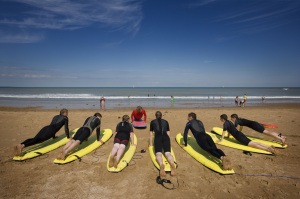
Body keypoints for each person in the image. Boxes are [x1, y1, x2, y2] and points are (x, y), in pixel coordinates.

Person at [149, 111, 176, 176]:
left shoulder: (152, 122)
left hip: (158, 138)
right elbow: (168, 133)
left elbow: (151, 134)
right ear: (161, 116)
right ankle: (172, 164)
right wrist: (168, 142)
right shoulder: (166, 121)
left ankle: (161, 165)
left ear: (155, 116)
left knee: (158, 153)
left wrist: (151, 144)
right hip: (166, 137)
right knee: (167, 153)